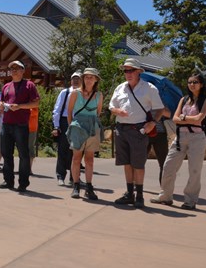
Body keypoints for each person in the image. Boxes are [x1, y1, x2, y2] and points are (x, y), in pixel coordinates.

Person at [151, 72, 206, 210]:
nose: (191, 84)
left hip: (197, 138)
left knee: (195, 171)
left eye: (195, 82)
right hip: (180, 137)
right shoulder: (183, 99)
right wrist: (186, 119)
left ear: (201, 84)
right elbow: (174, 118)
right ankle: (165, 196)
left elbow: (198, 119)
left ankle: (190, 200)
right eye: (189, 82)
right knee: (168, 166)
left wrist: (183, 118)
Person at [109, 58, 164, 208]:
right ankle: (129, 194)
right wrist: (117, 110)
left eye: (131, 70)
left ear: (139, 72)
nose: (128, 73)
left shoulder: (149, 88)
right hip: (122, 129)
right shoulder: (120, 88)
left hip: (139, 130)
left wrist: (152, 123)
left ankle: (139, 196)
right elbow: (111, 106)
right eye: (126, 70)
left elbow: (160, 109)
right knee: (126, 163)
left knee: (138, 164)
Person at [0, 60, 40, 192]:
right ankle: (8, 180)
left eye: (17, 68)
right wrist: (1, 106)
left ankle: (23, 183)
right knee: (6, 153)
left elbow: (36, 103)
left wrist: (20, 106)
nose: (14, 71)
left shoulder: (29, 85)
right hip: (6, 123)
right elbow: (2, 102)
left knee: (23, 154)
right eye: (12, 68)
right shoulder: (6, 86)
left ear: (23, 71)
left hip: (21, 125)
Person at [66, 68, 103, 200]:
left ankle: (89, 186)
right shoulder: (76, 93)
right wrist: (71, 127)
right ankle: (76, 185)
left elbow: (98, 113)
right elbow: (69, 112)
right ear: (83, 78)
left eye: (91, 77)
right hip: (78, 126)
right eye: (86, 77)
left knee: (90, 159)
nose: (88, 79)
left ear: (96, 79)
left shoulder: (99, 95)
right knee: (76, 158)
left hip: (92, 127)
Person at [52, 72, 81, 185]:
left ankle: (73, 177)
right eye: (73, 78)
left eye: (78, 79)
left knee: (76, 151)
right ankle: (60, 175)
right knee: (63, 149)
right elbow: (57, 110)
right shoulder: (65, 92)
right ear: (70, 80)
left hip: (78, 122)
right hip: (64, 122)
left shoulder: (83, 93)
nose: (75, 81)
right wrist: (56, 126)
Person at [147, 106, 172, 185]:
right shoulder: (141, 97)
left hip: (160, 133)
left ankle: (164, 187)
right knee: (138, 161)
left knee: (164, 163)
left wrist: (162, 110)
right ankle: (136, 184)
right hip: (145, 133)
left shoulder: (160, 101)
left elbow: (170, 114)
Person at [28, 106, 39, 174]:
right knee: (22, 148)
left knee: (30, 147)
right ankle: (23, 168)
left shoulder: (34, 104)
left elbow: (33, 113)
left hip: (31, 129)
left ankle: (29, 169)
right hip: (22, 127)